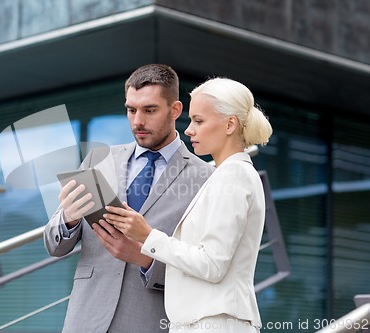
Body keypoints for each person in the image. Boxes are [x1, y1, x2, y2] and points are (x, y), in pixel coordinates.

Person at [44, 64, 214, 332]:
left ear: (176, 110)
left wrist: (145, 259)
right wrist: (68, 218)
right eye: (131, 110)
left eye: (150, 110)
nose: (137, 122)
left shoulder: (205, 178)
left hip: (149, 320)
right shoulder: (98, 160)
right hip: (85, 318)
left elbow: (205, 269)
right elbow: (54, 246)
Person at [104, 77, 273, 332]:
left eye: (199, 121)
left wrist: (147, 236)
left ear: (230, 124)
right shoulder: (224, 174)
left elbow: (212, 264)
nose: (188, 130)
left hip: (215, 322)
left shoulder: (233, 175)